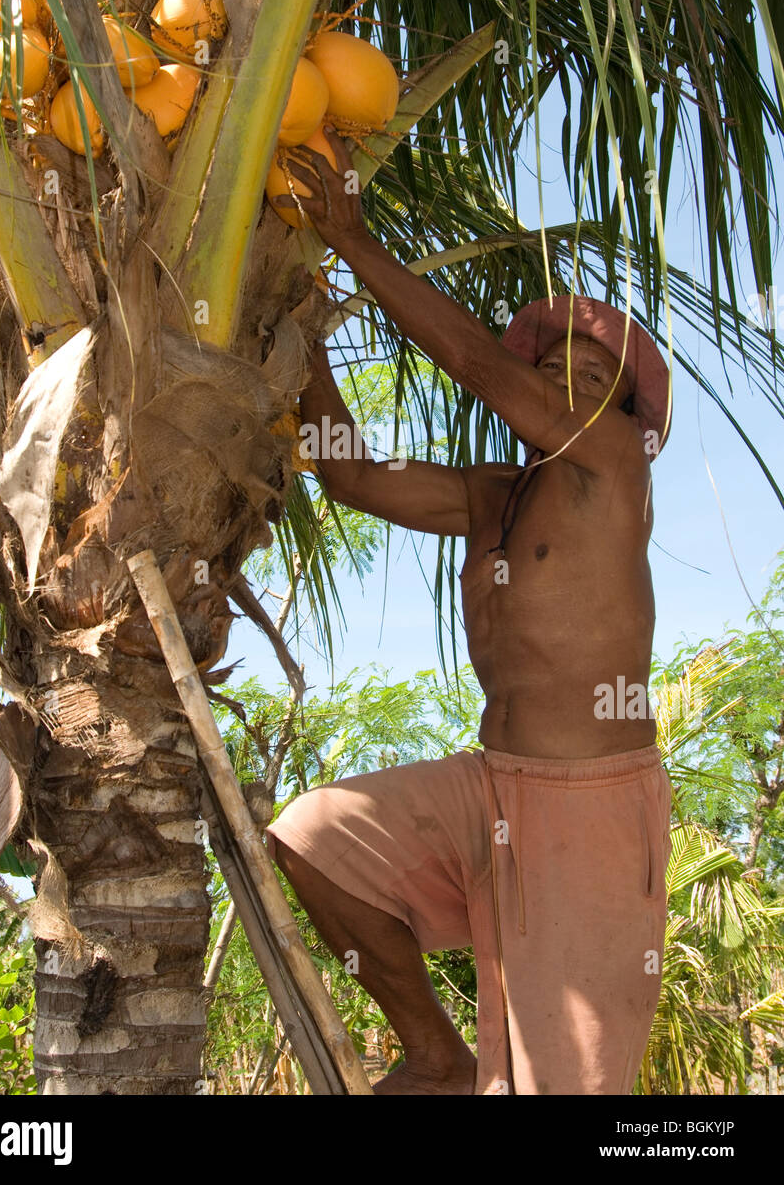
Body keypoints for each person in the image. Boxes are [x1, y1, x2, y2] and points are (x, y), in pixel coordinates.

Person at [264, 127, 673, 1096]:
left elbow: (487, 376)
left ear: (621, 414)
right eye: (554, 366)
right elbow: (351, 473)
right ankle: (435, 1052)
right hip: (487, 784)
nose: (563, 382)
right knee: (313, 835)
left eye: (589, 376)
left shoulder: (608, 469)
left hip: (589, 799)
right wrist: (305, 338)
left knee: (556, 1087)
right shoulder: (493, 492)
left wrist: (356, 244)